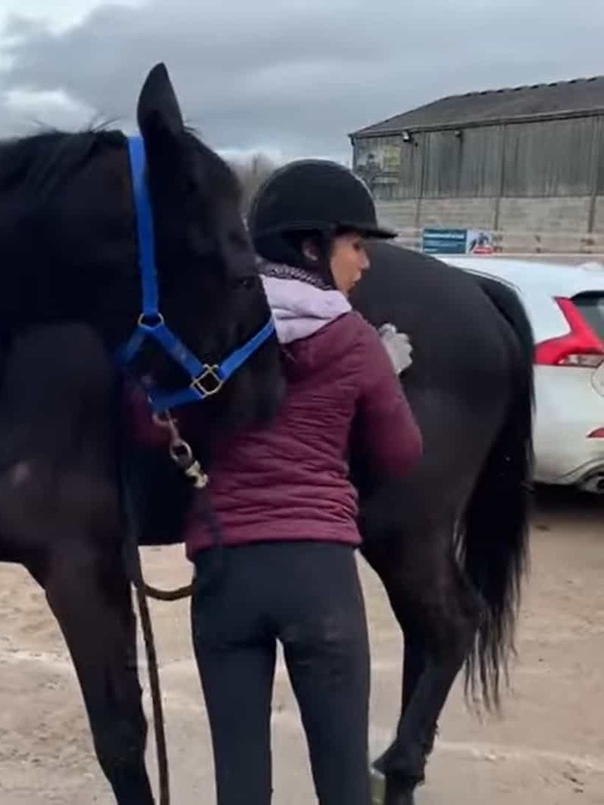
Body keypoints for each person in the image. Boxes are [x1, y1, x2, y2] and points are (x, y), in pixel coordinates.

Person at [131, 159, 423, 804]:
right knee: (344, 782)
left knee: (240, 784)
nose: (365, 263)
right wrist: (382, 375)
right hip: (319, 576)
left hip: (225, 570)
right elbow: (402, 454)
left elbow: (149, 423)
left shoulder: (208, 334)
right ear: (313, 247)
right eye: (355, 245)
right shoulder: (352, 340)